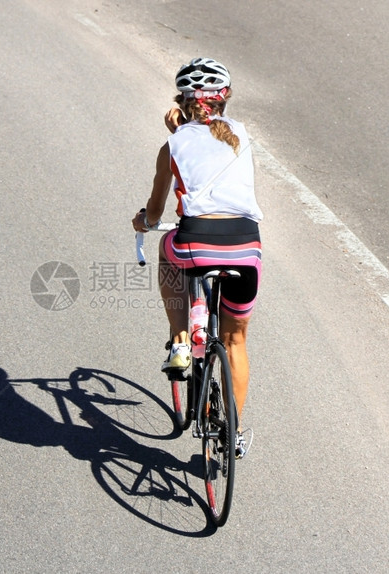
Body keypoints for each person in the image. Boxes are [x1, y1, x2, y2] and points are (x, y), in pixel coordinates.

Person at [132, 57, 262, 459]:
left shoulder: (172, 144)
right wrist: (186, 129)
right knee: (235, 339)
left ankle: (181, 340)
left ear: (181, 101)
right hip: (245, 245)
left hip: (195, 242)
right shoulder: (242, 135)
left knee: (166, 248)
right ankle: (233, 433)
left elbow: (155, 212)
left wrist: (144, 221)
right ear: (225, 101)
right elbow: (211, 144)